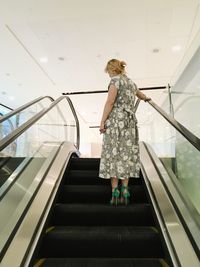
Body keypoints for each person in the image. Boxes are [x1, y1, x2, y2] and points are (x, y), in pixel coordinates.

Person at [99, 59, 150, 205]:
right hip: (130, 122)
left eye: (108, 71)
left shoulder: (115, 81)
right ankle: (126, 189)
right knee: (126, 154)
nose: (108, 74)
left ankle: (115, 191)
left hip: (116, 121)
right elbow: (140, 94)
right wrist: (146, 98)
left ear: (112, 69)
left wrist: (102, 121)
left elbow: (110, 102)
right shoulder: (130, 82)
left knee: (114, 153)